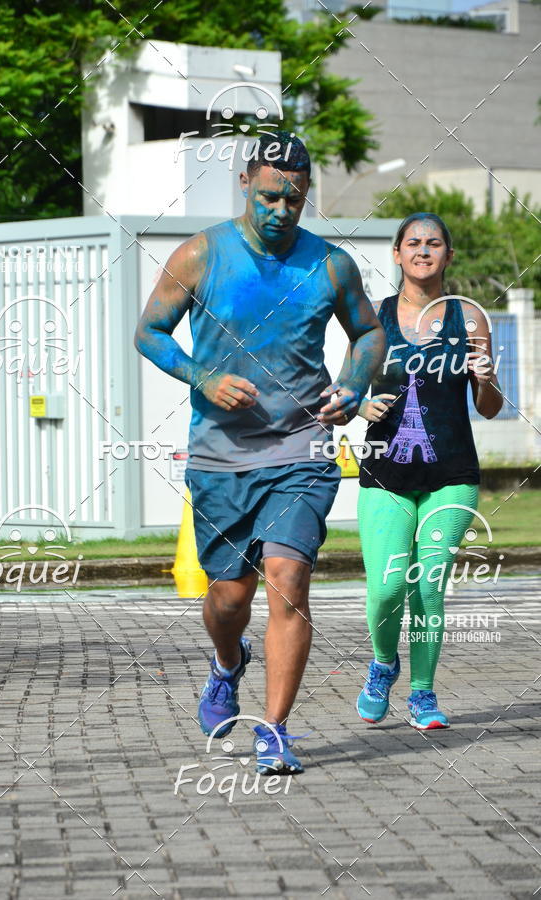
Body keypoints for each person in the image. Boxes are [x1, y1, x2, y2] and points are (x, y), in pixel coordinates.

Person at [134, 131, 385, 773]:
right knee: (228, 597)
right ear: (245, 184)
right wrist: (203, 377)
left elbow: (368, 332)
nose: (280, 210)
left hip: (303, 447)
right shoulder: (201, 254)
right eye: (270, 196)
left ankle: (273, 729)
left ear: (307, 196)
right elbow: (150, 332)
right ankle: (228, 661)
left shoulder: (331, 264)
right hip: (220, 455)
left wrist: (353, 387)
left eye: (293, 200)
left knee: (288, 579)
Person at [354, 212, 503, 729]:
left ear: (448, 255)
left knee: (428, 585)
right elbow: (347, 386)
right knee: (387, 588)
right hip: (385, 472)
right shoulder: (372, 318)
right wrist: (360, 406)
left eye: (434, 243)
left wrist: (485, 379)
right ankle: (383, 663)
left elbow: (489, 407)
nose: (423, 250)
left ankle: (422, 693)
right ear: (397, 254)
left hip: (452, 473)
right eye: (413, 242)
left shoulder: (470, 318)